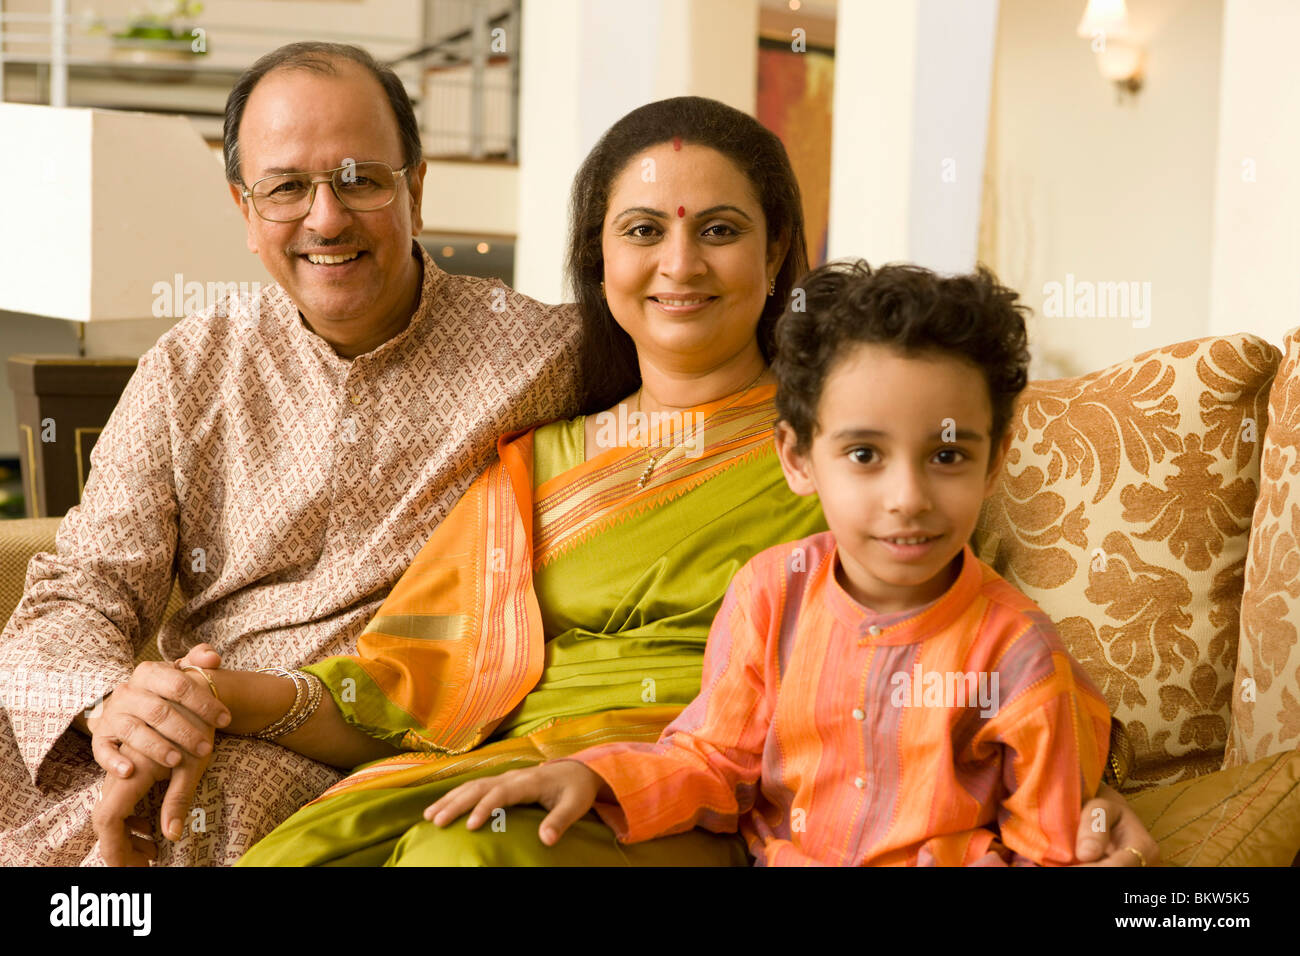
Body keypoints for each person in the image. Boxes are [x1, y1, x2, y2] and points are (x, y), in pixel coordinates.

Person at [234, 102, 1156, 867]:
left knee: (468, 855)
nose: (680, 266)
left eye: (720, 231)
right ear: (599, 258)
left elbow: (970, 638)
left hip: (706, 790)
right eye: (642, 232)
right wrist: (230, 694)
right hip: (514, 770)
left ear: (777, 248)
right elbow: (402, 682)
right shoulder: (533, 462)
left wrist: (1090, 800)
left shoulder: (861, 444)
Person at [0, 42, 579, 866]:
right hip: (177, 717)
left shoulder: (545, 358)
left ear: (415, 186)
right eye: (286, 189)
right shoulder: (188, 367)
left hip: (355, 740)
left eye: (359, 179)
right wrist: (112, 706)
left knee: (213, 798)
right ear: (244, 209)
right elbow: (86, 587)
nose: (326, 218)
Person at [426, 259, 1117, 866]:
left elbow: (1050, 850)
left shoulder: (1020, 655)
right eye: (865, 455)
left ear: (994, 462)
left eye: (947, 456)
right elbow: (714, 762)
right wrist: (596, 779)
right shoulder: (770, 594)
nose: (908, 499)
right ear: (797, 458)